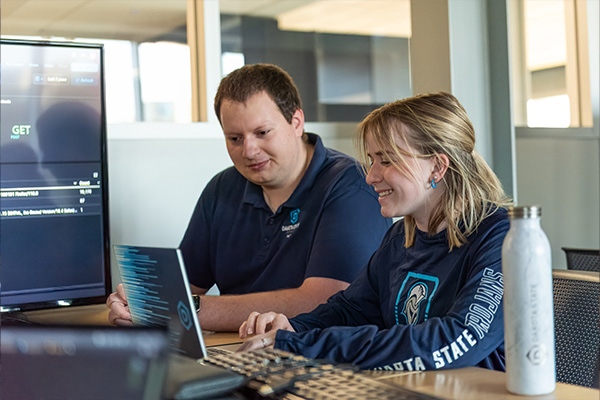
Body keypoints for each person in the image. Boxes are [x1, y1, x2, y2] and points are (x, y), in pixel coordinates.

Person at [238, 92, 513, 372]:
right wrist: (293, 329)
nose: (370, 176)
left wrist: (304, 345)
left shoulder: (500, 238)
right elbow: (351, 311)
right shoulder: (399, 238)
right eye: (372, 160)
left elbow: (457, 339)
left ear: (438, 166)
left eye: (387, 160)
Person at [107, 64, 391, 331]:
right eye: (234, 138)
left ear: (296, 122)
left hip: (319, 358)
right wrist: (138, 304)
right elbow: (180, 289)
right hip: (240, 351)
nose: (249, 150)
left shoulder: (352, 184)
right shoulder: (222, 188)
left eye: (262, 132)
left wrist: (188, 309)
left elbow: (324, 301)